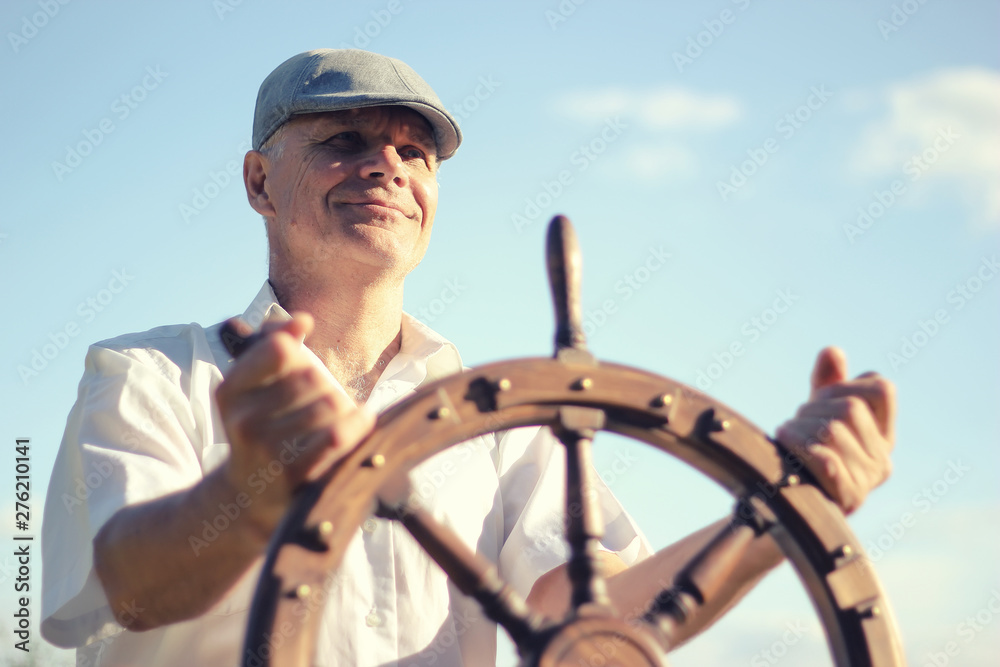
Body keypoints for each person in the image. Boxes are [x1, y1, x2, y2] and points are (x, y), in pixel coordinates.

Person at [40, 49, 895, 666]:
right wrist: (251, 487)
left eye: (415, 153)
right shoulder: (148, 373)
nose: (387, 167)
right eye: (344, 140)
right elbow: (131, 588)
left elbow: (586, 623)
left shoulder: (497, 422)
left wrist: (787, 504)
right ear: (260, 182)